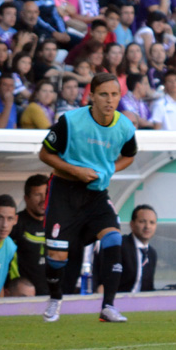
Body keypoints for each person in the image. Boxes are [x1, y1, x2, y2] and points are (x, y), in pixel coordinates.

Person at [40, 73, 138, 323]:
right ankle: (55, 299)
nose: (109, 100)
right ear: (91, 96)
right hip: (65, 190)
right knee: (57, 256)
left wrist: (110, 169)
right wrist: (76, 170)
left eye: (114, 94)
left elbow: (129, 155)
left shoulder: (125, 126)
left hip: (96, 195)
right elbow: (44, 154)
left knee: (114, 237)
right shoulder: (70, 121)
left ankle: (108, 307)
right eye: (103, 94)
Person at [93, 205, 158, 293]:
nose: (147, 226)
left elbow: (148, 287)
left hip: (141, 304)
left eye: (152, 222)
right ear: (132, 224)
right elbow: (103, 282)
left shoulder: (152, 253)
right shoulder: (119, 246)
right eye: (142, 222)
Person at [10, 174, 49, 296]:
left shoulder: (57, 223)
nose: (44, 199)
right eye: (38, 195)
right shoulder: (15, 224)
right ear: (26, 198)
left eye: (46, 194)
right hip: (24, 298)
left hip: (53, 297)